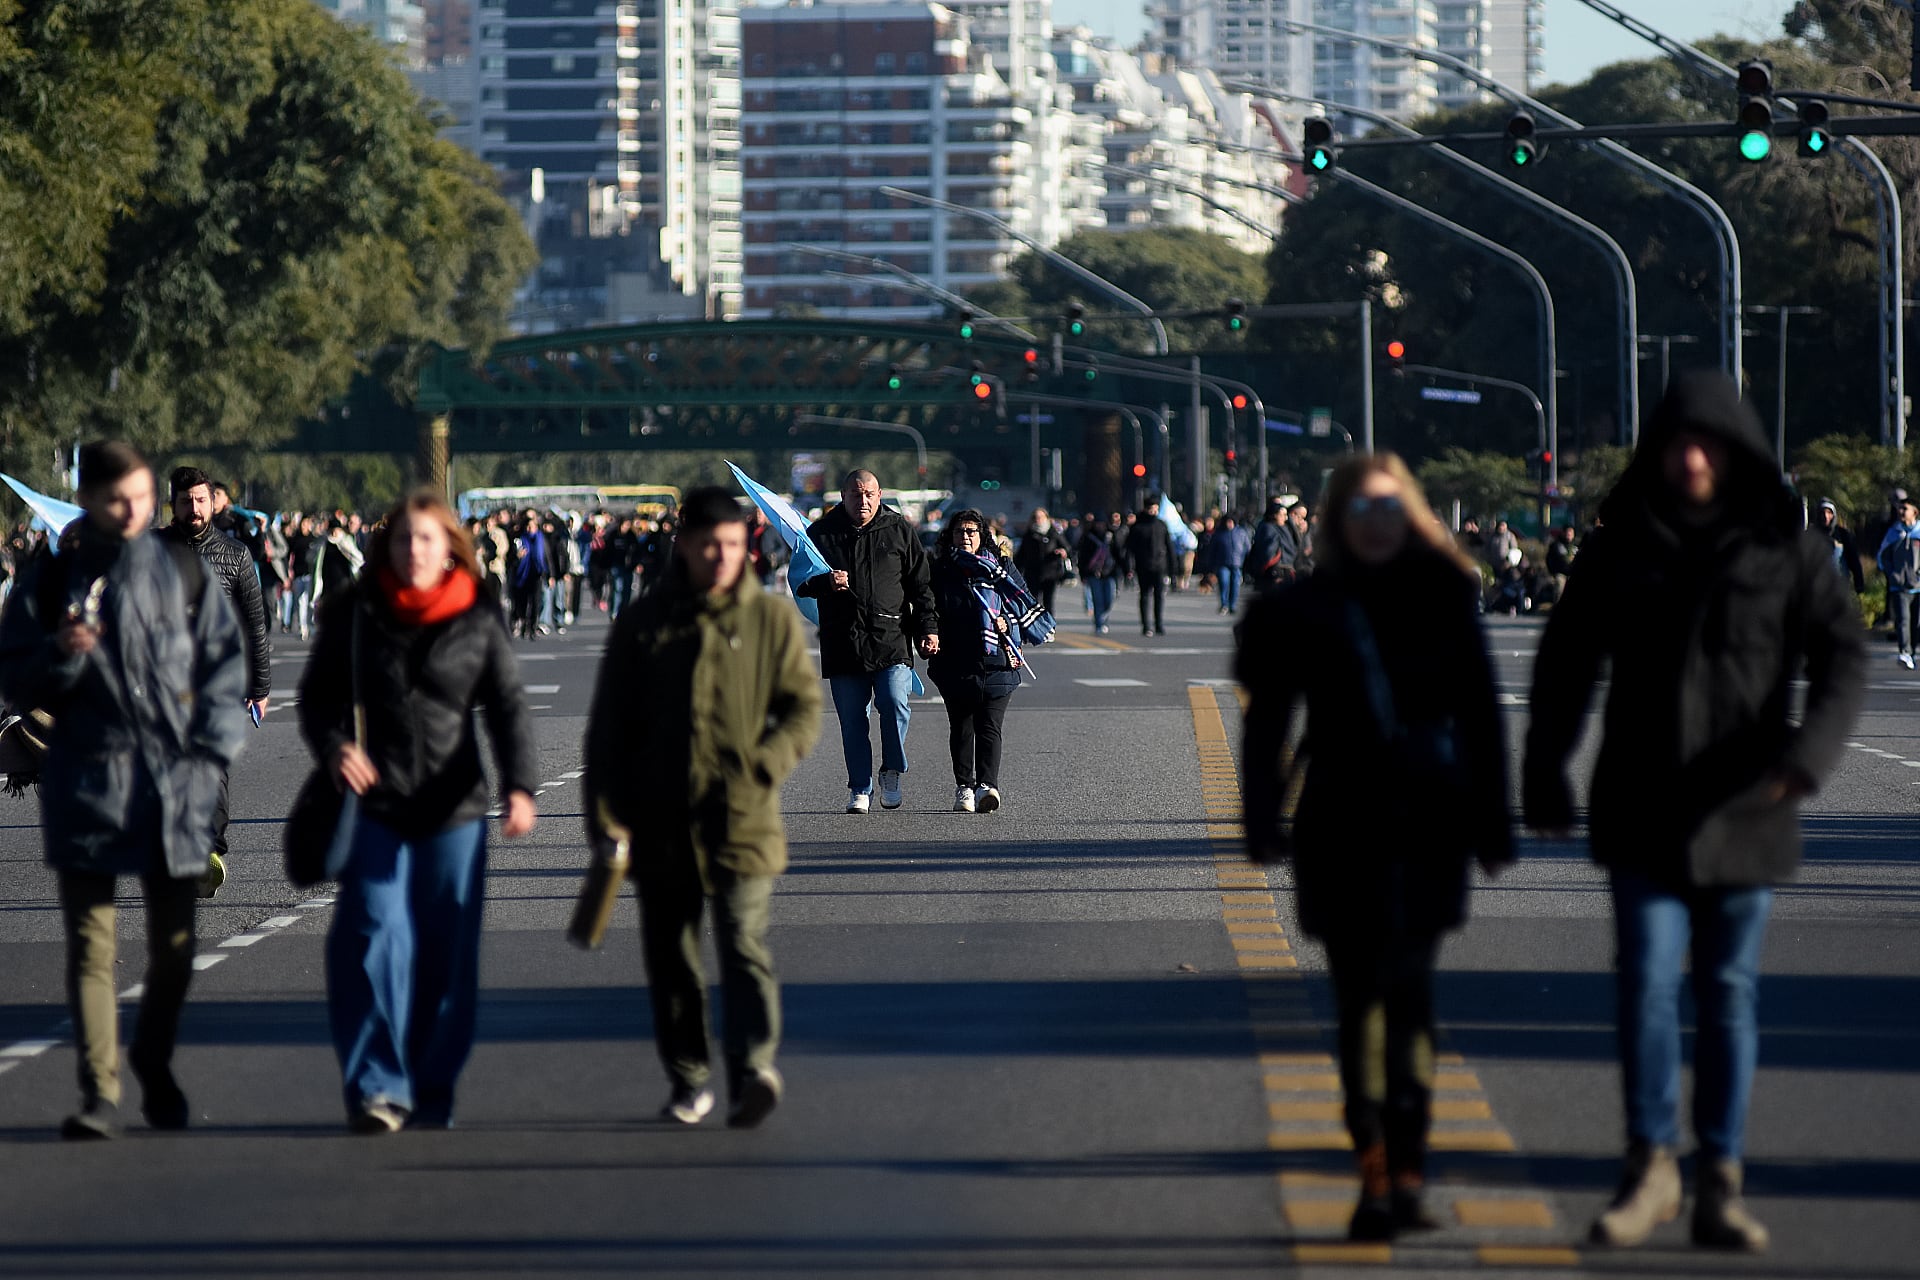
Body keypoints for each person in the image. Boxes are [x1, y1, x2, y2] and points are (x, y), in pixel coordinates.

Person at [1525, 371, 1866, 1252]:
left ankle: (1721, 1174)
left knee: (1727, 993)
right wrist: (1545, 769)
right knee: (1644, 982)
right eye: (1677, 442)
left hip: (1749, 806)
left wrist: (1810, 757)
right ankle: (1649, 1166)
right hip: (1642, 804)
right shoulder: (1622, 545)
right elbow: (1567, 662)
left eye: (1709, 442)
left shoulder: (1788, 551)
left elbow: (1844, 657)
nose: (1692, 458)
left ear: (1739, 450)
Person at [1237, 453, 1511, 1242]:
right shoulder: (1304, 609)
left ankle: (1412, 1168)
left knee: (1412, 993)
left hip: (1429, 819)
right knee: (1360, 1000)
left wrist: (1496, 821)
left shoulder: (1446, 596)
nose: (1377, 521)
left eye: (1391, 507)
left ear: (1412, 513)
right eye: (1362, 508)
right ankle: (1375, 1172)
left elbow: (1483, 717)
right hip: (1339, 820)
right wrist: (1260, 820)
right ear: (1336, 520)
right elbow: (1267, 727)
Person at [0, 442, 250, 1138]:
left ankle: (154, 1056)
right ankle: (99, 1092)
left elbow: (224, 665)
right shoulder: (55, 576)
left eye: (143, 498)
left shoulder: (183, 569)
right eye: (119, 499)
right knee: (91, 946)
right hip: (86, 781)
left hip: (171, 784)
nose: (135, 511)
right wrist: (59, 655)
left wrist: (211, 750)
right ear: (89, 501)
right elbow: (12, 672)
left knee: (174, 946)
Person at [299, 491, 538, 1133]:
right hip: (376, 801)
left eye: (427, 539)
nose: (414, 551)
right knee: (372, 935)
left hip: (454, 808)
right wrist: (334, 748)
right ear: (387, 545)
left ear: (450, 548)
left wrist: (521, 787)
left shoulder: (475, 614)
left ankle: (431, 1084)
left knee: (444, 955)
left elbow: (509, 704)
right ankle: (379, 1086)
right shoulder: (358, 608)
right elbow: (317, 696)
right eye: (403, 539)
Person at [585, 487, 821, 1128]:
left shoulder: (770, 621)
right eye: (709, 545)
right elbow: (608, 732)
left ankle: (753, 1071)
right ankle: (689, 1077)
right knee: (675, 959)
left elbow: (802, 708)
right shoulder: (643, 622)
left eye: (735, 546)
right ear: (684, 545)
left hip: (743, 817)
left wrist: (765, 764)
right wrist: (604, 822)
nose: (721, 557)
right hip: (661, 823)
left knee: (744, 947)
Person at [157, 467, 271, 898]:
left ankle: (209, 850)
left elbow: (255, 625)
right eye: (186, 501)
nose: (195, 508)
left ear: (212, 501)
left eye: (201, 500)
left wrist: (259, 685)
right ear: (175, 505)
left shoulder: (236, 555)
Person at [796, 470, 938, 814]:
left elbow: (921, 587)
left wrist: (928, 629)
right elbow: (800, 582)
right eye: (856, 495)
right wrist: (825, 582)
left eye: (870, 494)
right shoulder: (820, 534)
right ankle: (860, 787)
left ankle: (891, 770)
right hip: (843, 641)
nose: (863, 501)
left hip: (891, 638)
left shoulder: (899, 529)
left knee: (893, 703)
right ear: (843, 496)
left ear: (880, 494)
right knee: (852, 721)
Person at [928, 510, 1040, 814]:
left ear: (982, 536)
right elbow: (928, 608)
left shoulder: (1001, 567)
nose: (965, 537)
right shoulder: (940, 569)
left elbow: (1023, 602)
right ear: (949, 536)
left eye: (971, 531)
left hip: (998, 659)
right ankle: (964, 786)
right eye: (959, 532)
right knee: (962, 725)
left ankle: (988, 786)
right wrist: (930, 633)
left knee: (990, 725)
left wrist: (1005, 621)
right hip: (955, 659)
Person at [1877, 496, 1920, 668]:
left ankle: (1912, 653)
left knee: (1916, 623)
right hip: (1899, 586)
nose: (1901, 512)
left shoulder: (1919, 532)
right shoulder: (1894, 532)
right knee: (1902, 620)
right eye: (1900, 509)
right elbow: (1882, 556)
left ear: (1915, 512)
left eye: (1905, 509)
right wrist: (1891, 573)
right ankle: (1905, 653)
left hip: (1918, 587)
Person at [1126, 500, 1174, 635]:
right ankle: (1146, 625)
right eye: (1151, 509)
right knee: (1145, 596)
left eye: (1155, 509)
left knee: (1159, 596)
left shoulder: (1161, 525)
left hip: (1159, 566)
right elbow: (1130, 549)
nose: (1153, 511)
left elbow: (1169, 546)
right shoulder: (1138, 526)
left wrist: (1173, 568)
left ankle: (1159, 623)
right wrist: (1129, 567)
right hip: (1143, 566)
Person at [1013, 508, 1071, 616]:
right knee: (1033, 602)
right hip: (1032, 573)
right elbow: (1021, 555)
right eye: (1035, 517)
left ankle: (1049, 626)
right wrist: (1015, 573)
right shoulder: (1029, 535)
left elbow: (1066, 547)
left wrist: (1062, 551)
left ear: (1046, 518)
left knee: (1048, 602)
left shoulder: (1053, 532)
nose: (1038, 520)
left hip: (1050, 573)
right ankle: (1035, 626)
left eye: (1040, 517)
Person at [1076, 515, 1121, 634]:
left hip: (1110, 572)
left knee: (1109, 599)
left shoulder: (1111, 536)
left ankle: (1103, 619)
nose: (1100, 526)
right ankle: (1099, 624)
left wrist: (1126, 569)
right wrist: (1082, 574)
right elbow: (1082, 557)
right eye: (1098, 523)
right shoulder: (1088, 537)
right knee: (1098, 600)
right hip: (1093, 573)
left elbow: (1118, 554)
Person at [1814, 499, 1864, 595]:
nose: (1826, 516)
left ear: (1834, 515)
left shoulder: (1843, 535)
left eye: (1829, 512)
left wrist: (1859, 583)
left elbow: (1854, 560)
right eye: (1823, 512)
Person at [1210, 514, 1252, 614]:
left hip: (1237, 563)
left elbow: (1247, 547)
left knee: (1235, 585)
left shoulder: (1241, 533)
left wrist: (1245, 559)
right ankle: (1224, 604)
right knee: (1224, 583)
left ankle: (1232, 605)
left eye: (1231, 522)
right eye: (1228, 522)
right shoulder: (1219, 534)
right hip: (1222, 563)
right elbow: (1212, 549)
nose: (1229, 524)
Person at [1544, 524, 1579, 604]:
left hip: (1574, 574)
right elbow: (1549, 560)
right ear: (1563, 533)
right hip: (1560, 573)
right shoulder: (1556, 545)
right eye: (1567, 532)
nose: (1569, 535)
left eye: (1571, 533)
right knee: (1559, 584)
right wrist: (1553, 572)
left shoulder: (1576, 546)